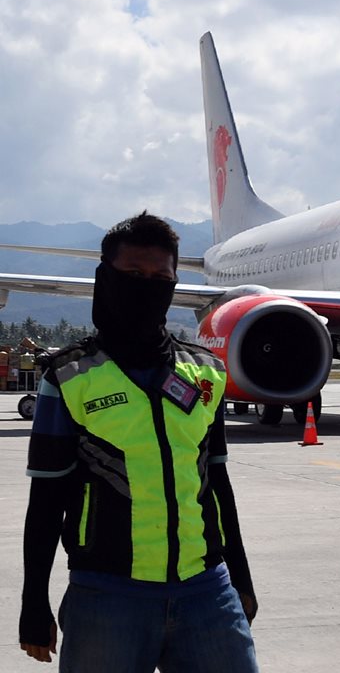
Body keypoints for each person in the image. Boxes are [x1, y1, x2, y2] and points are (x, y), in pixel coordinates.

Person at [18, 213, 258, 670]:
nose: (147, 286)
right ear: (105, 278)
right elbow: (46, 501)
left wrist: (240, 579)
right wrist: (34, 603)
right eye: (133, 275)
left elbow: (218, 485)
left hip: (206, 590)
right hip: (107, 594)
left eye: (160, 277)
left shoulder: (206, 372)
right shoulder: (68, 378)